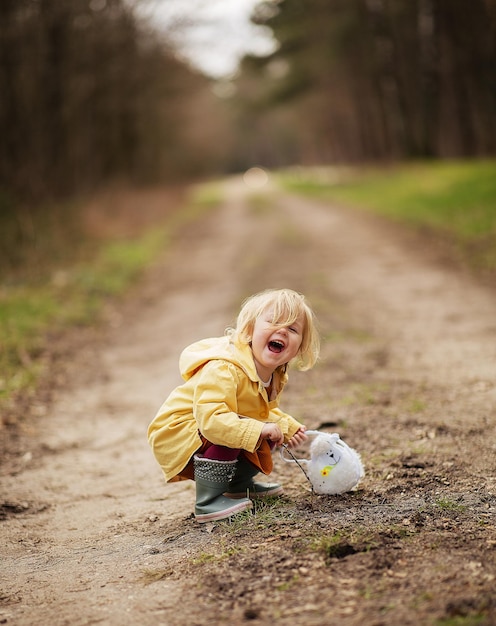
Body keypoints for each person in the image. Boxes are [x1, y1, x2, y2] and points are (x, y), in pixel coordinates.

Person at [147, 288, 320, 523]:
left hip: (208, 424)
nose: (282, 330)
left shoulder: (273, 374)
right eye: (273, 322)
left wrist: (286, 426)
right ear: (249, 331)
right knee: (238, 429)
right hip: (180, 430)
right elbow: (213, 420)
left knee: (263, 430)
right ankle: (208, 501)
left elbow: (257, 411)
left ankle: (238, 485)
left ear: (299, 348)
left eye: (292, 329)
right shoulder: (225, 369)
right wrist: (259, 428)